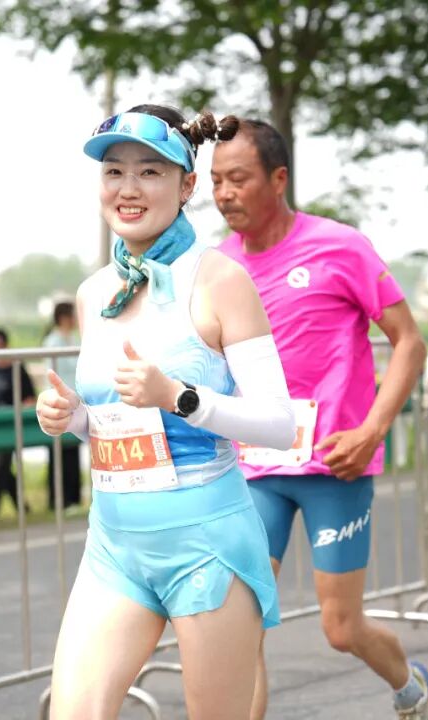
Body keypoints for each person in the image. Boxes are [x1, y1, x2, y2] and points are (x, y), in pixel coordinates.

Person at [36, 105, 296, 719]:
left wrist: (180, 396)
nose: (128, 188)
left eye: (150, 172)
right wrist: (72, 417)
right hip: (114, 546)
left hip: (207, 545)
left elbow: (281, 425)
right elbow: (119, 420)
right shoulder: (94, 292)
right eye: (114, 171)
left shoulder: (221, 279)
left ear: (186, 186)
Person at [211, 119, 428, 719]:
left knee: (341, 627)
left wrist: (372, 430)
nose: (224, 193)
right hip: (255, 468)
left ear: (278, 179)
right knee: (242, 621)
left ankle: (411, 688)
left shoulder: (339, 246)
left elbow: (409, 342)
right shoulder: (217, 268)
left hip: (335, 464)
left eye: (238, 178)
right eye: (215, 181)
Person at [0, 328, 37, 514]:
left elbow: (30, 399)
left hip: (11, 425)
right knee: (2, 468)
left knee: (1, 465)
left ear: (5, 346)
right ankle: (22, 507)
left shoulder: (17, 368)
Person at [41, 301, 82, 510]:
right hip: (59, 402)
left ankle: (73, 499)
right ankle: (58, 500)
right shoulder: (52, 341)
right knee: (58, 454)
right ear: (65, 317)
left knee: (73, 452)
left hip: (75, 402)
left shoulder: (74, 338)